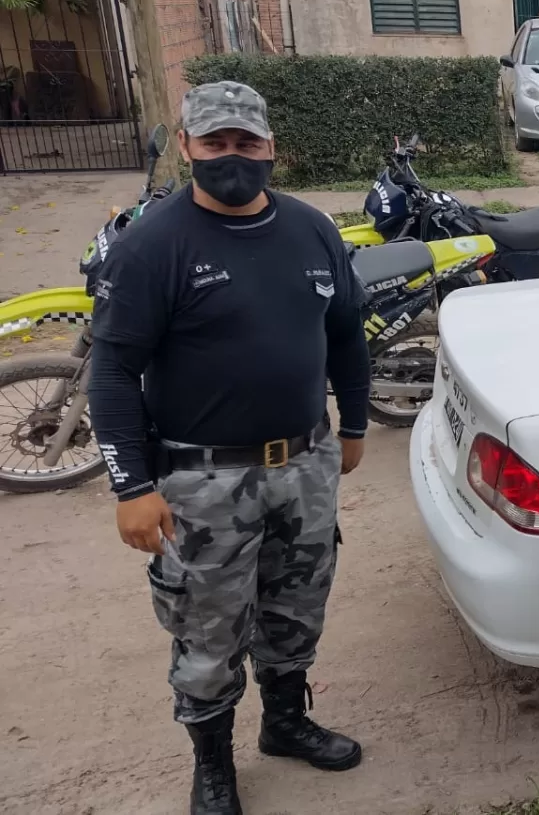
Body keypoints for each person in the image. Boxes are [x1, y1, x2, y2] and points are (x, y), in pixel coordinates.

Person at [89, 81, 371, 815]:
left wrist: (354, 425)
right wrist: (130, 487)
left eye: (246, 142)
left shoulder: (312, 230)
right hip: (202, 481)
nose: (232, 156)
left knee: (297, 607)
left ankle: (285, 723)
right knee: (208, 628)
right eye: (214, 143)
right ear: (186, 146)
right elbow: (112, 372)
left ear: (271, 146)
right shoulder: (153, 246)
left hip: (304, 465)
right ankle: (213, 765)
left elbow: (346, 332)